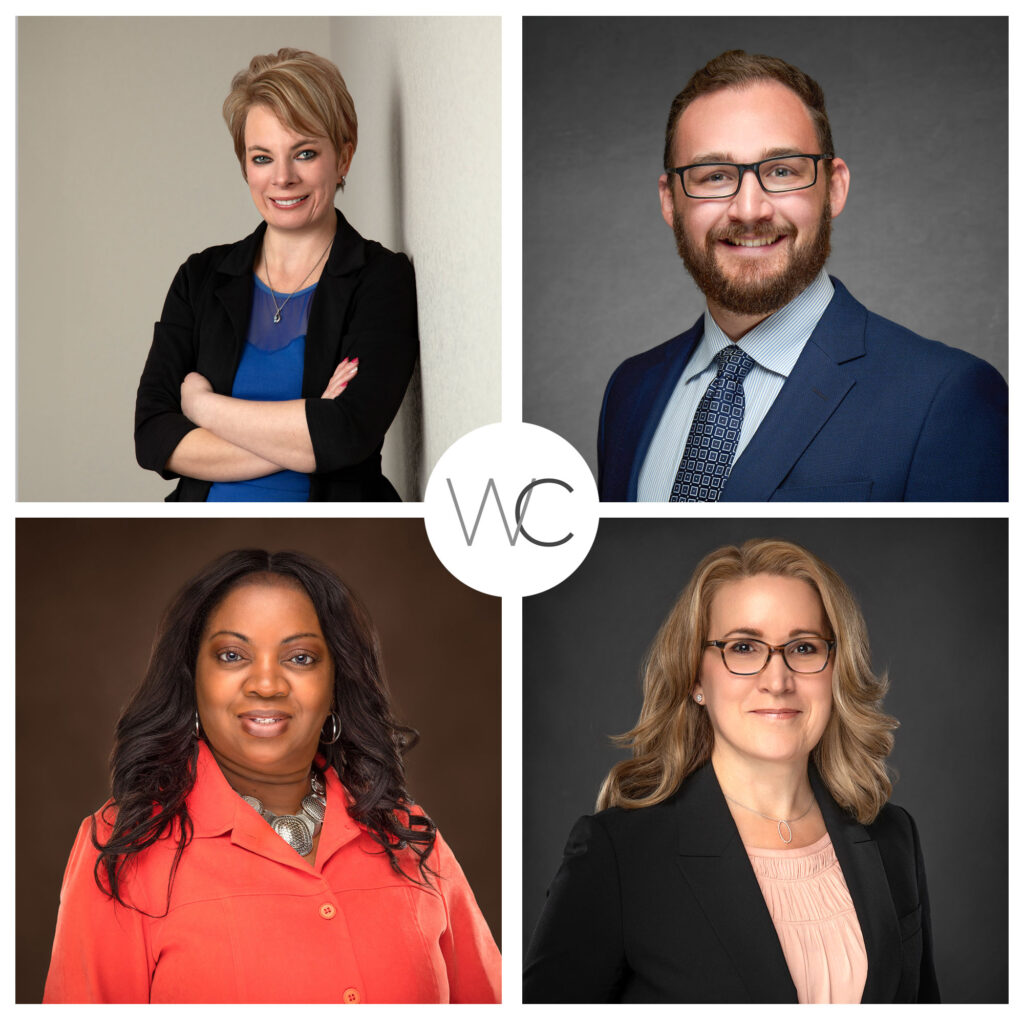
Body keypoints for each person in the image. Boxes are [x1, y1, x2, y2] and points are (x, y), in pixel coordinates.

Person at [44, 550, 500, 1003]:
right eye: (232, 655)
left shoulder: (410, 836)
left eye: (300, 658)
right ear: (192, 679)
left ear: (336, 684)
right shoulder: (123, 846)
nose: (266, 683)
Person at [524, 538, 938, 1003]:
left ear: (836, 669)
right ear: (696, 679)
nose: (777, 680)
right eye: (743, 647)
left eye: (803, 648)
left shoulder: (892, 837)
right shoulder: (618, 856)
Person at [597, 50, 1007, 502]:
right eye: (713, 176)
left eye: (781, 171)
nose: (749, 210)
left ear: (833, 189)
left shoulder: (945, 397)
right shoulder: (629, 390)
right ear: (671, 202)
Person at [134, 49, 418, 501]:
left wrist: (202, 407)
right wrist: (305, 432)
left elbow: (345, 436)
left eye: (304, 153)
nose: (282, 178)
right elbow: (152, 435)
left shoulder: (381, 279)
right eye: (262, 158)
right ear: (245, 164)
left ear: (344, 156)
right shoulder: (200, 277)